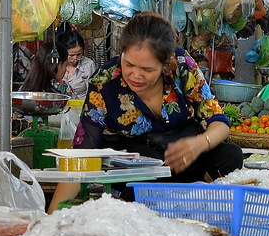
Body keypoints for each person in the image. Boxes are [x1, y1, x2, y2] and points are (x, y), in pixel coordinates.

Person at [51, 12, 243, 209]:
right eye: (129, 64)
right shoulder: (104, 82)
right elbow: (82, 153)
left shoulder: (182, 66)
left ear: (165, 63)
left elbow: (219, 122)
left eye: (147, 69)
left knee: (230, 156)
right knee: (141, 185)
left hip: (185, 157)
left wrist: (199, 144)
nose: (135, 75)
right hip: (143, 169)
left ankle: (202, 203)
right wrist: (50, 220)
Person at [54, 30, 97, 101]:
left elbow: (92, 92)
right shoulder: (57, 64)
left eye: (79, 54)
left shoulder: (88, 65)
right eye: (71, 55)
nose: (75, 58)